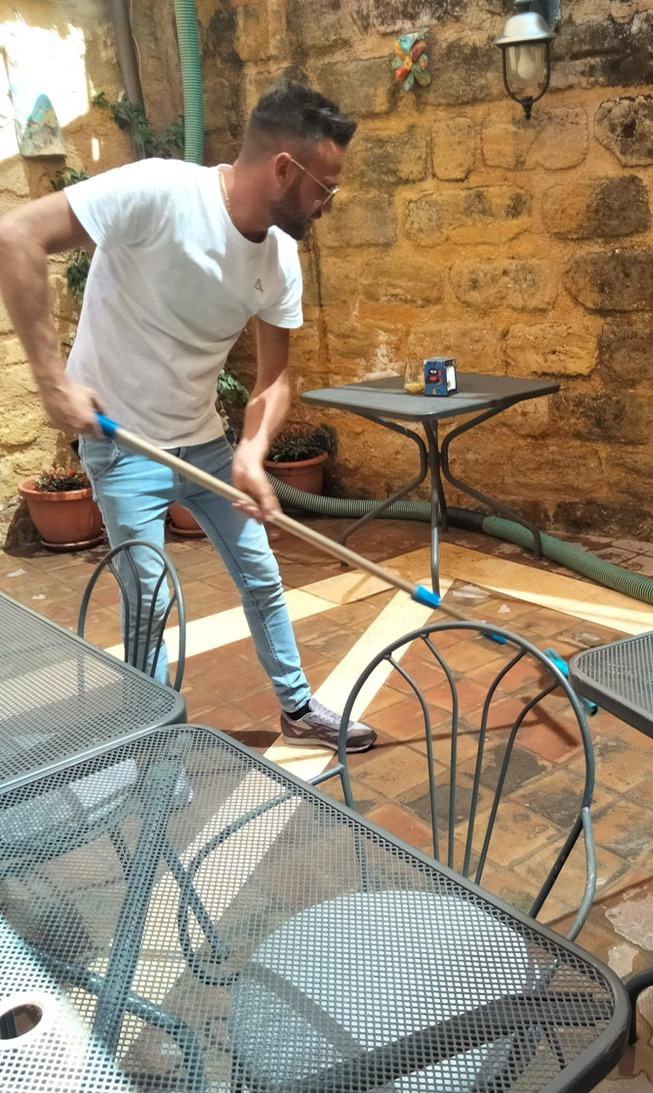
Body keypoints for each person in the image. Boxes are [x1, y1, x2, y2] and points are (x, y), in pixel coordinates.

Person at [0, 80, 375, 751]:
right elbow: (16, 234)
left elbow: (273, 378)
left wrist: (252, 450)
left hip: (203, 444)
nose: (328, 204)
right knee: (148, 598)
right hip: (121, 443)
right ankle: (155, 745)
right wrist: (52, 382)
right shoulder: (159, 191)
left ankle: (296, 707)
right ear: (283, 169)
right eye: (325, 188)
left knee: (261, 573)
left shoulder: (279, 257)